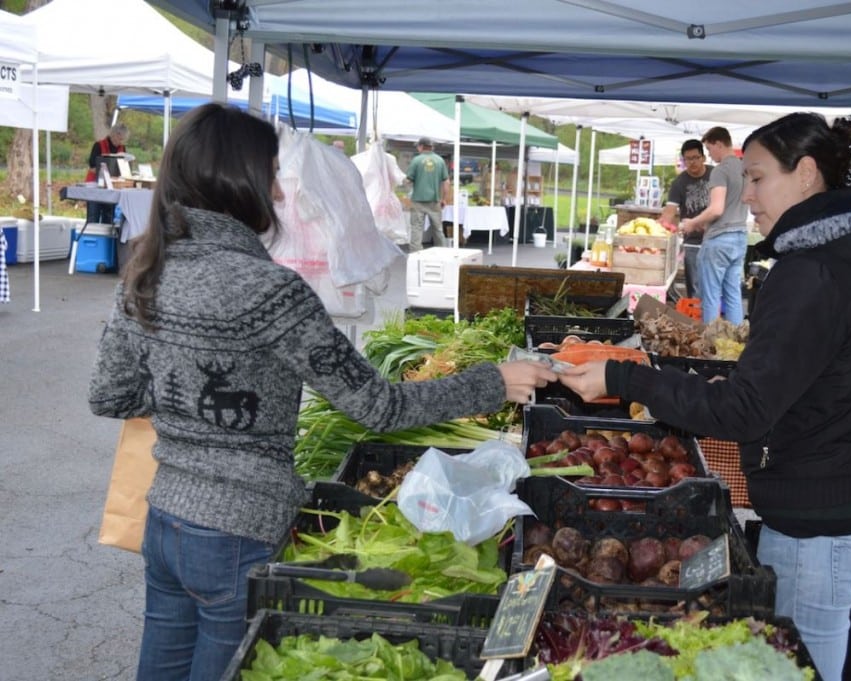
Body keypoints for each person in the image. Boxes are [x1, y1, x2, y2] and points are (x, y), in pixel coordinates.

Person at [86, 103, 556, 681]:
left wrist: (188, 404)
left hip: (164, 520)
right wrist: (493, 381)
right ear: (241, 184)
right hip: (238, 530)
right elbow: (379, 406)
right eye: (272, 178)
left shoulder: (147, 267)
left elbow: (110, 395)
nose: (281, 196)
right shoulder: (270, 289)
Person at [558, 112, 851, 681]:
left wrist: (624, 378)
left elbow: (745, 413)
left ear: (805, 175)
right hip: (832, 500)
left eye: (755, 178)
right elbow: (816, 383)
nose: (746, 197)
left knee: (802, 666)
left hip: (817, 519)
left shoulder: (813, 272)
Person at [680, 127, 748, 324]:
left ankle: (709, 346)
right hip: (740, 236)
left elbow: (717, 208)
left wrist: (693, 222)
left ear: (719, 144)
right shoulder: (744, 168)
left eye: (709, 149)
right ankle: (734, 345)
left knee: (710, 297)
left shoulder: (720, 170)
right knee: (733, 295)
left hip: (719, 240)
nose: (709, 155)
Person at [659, 139, 711, 299]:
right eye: (688, 159)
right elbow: (669, 212)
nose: (692, 162)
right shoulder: (679, 183)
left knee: (713, 288)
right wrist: (659, 229)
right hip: (692, 242)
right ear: (683, 160)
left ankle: (712, 320)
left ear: (703, 157)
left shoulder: (716, 175)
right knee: (694, 288)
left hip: (716, 239)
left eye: (696, 157)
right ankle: (696, 321)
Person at [405, 137, 450, 251]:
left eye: (418, 146)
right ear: (431, 147)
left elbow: (409, 180)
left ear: (421, 146)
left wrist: (402, 181)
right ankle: (443, 253)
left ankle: (416, 255)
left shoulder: (416, 160)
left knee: (416, 228)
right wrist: (444, 199)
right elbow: (446, 182)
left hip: (418, 200)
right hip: (435, 201)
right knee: (438, 229)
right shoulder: (440, 161)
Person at [85, 122, 130, 224]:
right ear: (114, 134)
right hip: (96, 186)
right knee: (93, 217)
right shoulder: (99, 145)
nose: (121, 141)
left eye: (123, 139)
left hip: (111, 187)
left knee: (108, 217)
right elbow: (92, 166)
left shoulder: (122, 148)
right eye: (120, 138)